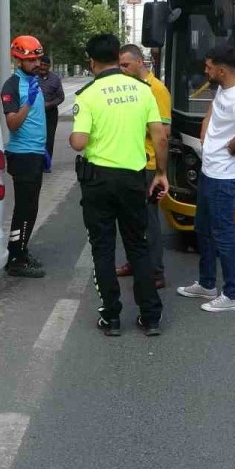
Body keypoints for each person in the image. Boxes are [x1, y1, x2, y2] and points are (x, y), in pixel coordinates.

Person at [70, 33, 170, 337]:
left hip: (98, 181)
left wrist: (74, 136)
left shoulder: (87, 94)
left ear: (91, 60)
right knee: (138, 246)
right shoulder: (143, 91)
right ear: (117, 56)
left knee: (102, 248)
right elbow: (160, 136)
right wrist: (161, 173)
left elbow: (79, 142)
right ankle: (150, 317)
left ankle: (111, 317)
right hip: (133, 180)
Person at [177, 42, 235, 312]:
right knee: (202, 229)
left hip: (224, 177)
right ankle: (207, 283)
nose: (205, 70)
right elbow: (215, 107)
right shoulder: (227, 87)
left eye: (209, 67)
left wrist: (232, 145)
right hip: (209, 171)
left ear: (222, 70)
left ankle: (232, 295)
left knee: (223, 235)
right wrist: (204, 129)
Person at [114, 43, 172, 288]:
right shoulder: (130, 88)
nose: (122, 69)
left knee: (149, 220)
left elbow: (164, 131)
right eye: (120, 65)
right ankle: (134, 261)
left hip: (148, 163)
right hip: (129, 161)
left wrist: (161, 170)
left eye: (125, 65)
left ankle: (156, 271)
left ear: (140, 62)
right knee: (129, 218)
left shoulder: (156, 89)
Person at [0, 34, 49, 278]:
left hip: (35, 153)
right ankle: (16, 258)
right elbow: (13, 124)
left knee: (31, 208)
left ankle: (20, 250)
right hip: (23, 155)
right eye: (32, 60)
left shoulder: (34, 81)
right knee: (25, 209)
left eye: (38, 59)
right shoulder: (12, 85)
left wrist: (44, 149)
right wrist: (27, 103)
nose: (37, 64)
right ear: (19, 59)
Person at [37, 54, 65, 170]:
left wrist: (49, 104)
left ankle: (46, 164)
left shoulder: (55, 79)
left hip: (50, 113)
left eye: (45, 65)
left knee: (49, 138)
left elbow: (61, 97)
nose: (43, 67)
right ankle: (36, 163)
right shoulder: (32, 77)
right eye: (41, 64)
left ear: (49, 67)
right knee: (36, 137)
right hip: (34, 113)